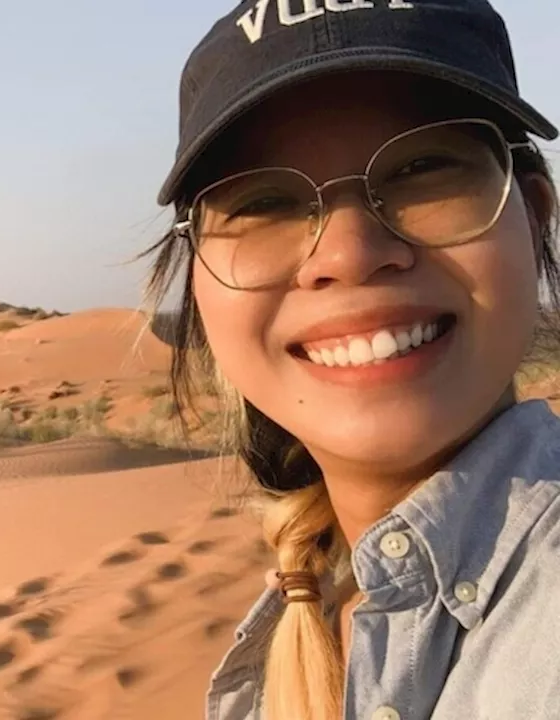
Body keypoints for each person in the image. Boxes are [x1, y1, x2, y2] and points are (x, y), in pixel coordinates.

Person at [141, 2, 560, 719]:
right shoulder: (303, 609)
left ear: (535, 217)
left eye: (424, 167)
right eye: (265, 202)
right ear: (198, 289)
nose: (349, 254)